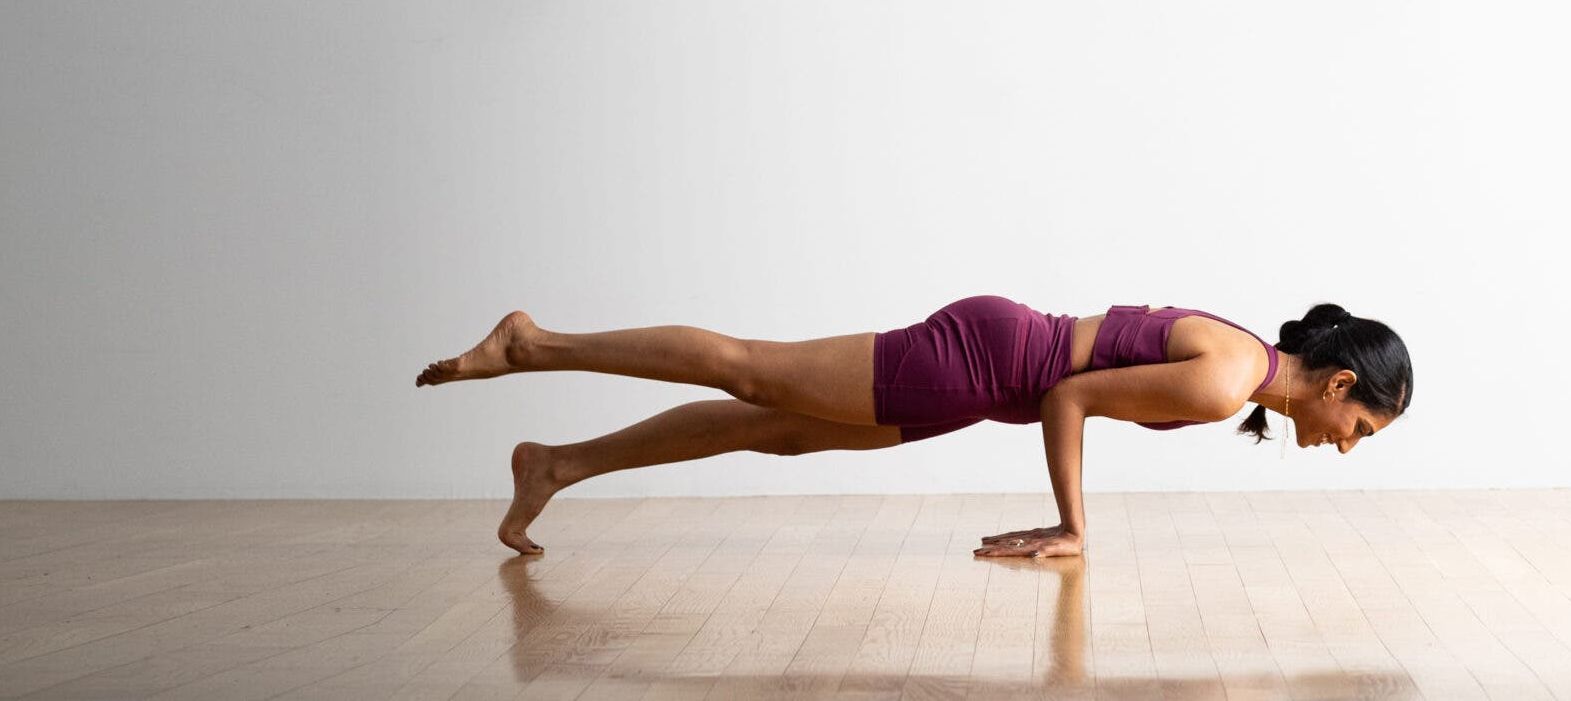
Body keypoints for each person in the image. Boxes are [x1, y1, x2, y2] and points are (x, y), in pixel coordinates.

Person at [414, 294, 1413, 557]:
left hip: (981, 373)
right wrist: (1072, 525)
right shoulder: (1225, 381)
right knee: (749, 371)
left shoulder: (1239, 368)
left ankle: (555, 466)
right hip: (976, 364)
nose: (1348, 444)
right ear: (1337, 384)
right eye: (1361, 425)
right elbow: (1068, 396)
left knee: (770, 427)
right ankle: (533, 347)